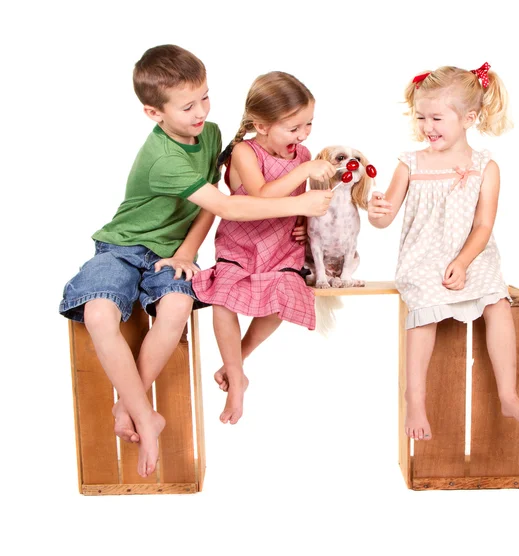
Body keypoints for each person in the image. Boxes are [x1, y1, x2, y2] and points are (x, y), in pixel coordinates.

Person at [59, 46, 332, 478]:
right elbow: (231, 207)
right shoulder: (165, 159)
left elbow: (211, 202)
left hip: (172, 255)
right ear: (154, 112)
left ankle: (130, 405)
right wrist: (300, 198)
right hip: (124, 248)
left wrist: (187, 252)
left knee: (178, 307)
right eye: (188, 105)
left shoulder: (210, 134)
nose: (202, 110)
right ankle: (142, 414)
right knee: (98, 314)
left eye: (205, 97)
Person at [368, 63, 519, 441]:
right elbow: (386, 218)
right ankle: (416, 400)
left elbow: (483, 225)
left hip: (473, 255)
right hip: (424, 258)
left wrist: (463, 262)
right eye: (421, 118)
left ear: (468, 118)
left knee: (498, 302)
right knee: (425, 312)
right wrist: (377, 212)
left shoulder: (485, 166)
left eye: (436, 118)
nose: (427, 127)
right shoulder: (409, 163)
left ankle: (508, 395)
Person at [192, 71, 336, 425]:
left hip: (281, 248)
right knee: (223, 300)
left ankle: (237, 361)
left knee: (285, 296)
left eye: (308, 125)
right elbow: (261, 194)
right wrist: (304, 173)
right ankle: (237, 379)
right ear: (262, 125)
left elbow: (300, 202)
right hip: (241, 244)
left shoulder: (301, 153)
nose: (303, 135)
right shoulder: (244, 151)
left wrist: (304, 223)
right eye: (294, 127)